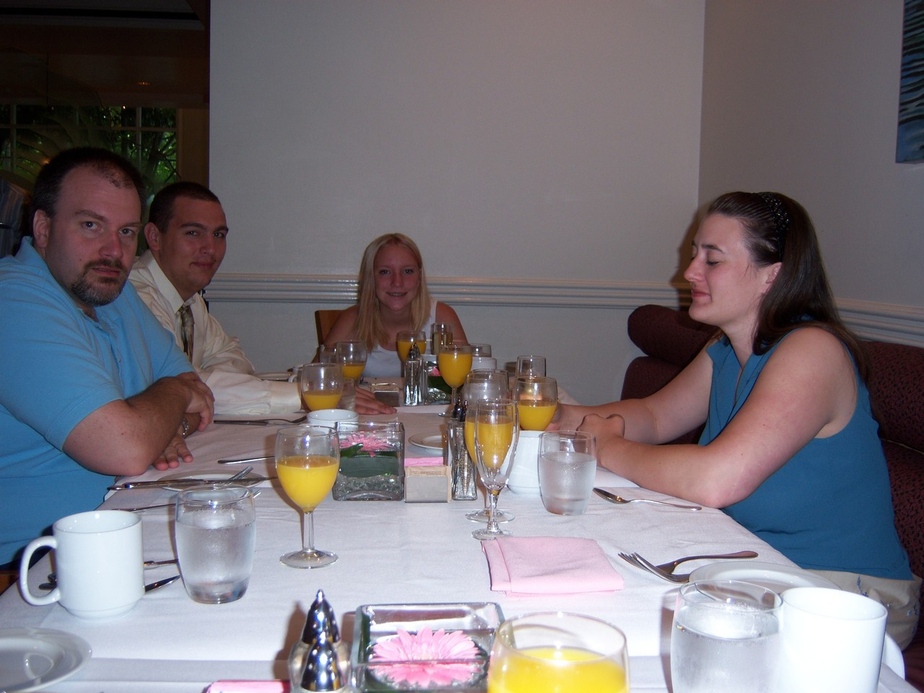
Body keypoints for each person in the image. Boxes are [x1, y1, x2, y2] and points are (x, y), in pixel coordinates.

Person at [559, 191, 920, 647]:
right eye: (695, 255)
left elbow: (718, 480)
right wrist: (560, 414)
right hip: (757, 568)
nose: (689, 272)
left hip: (845, 598)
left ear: (773, 275)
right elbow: (654, 415)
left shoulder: (813, 351)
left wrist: (607, 445)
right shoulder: (727, 348)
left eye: (712, 260)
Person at [0, 148, 214, 567]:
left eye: (127, 231)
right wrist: (167, 401)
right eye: (91, 225)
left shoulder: (114, 294)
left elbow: (199, 394)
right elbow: (127, 448)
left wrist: (158, 426)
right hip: (37, 569)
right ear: (43, 228)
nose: (113, 250)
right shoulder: (14, 302)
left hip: (124, 530)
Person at [130, 182, 302, 416]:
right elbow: (174, 385)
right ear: (154, 237)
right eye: (193, 233)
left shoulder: (190, 299)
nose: (211, 248)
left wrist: (202, 381)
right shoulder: (134, 298)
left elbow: (235, 359)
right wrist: (305, 395)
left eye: (218, 235)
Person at [323, 233, 467, 378]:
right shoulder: (352, 320)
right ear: (371, 278)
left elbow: (465, 380)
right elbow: (319, 380)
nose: (397, 282)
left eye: (407, 271)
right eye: (385, 272)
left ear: (419, 277)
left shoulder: (441, 318)